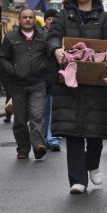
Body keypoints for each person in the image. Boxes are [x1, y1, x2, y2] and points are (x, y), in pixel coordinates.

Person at [46, 0, 107, 194]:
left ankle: (93, 164)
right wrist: (56, 49)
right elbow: (52, 37)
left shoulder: (105, 18)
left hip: (97, 84)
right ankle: (77, 180)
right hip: (69, 84)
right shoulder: (63, 17)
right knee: (73, 132)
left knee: (95, 132)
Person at [0, 8, 48, 160]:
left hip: (38, 83)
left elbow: (51, 57)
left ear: (34, 20)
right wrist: (13, 71)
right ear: (19, 20)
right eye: (24, 17)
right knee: (20, 120)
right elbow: (2, 58)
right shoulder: (10, 37)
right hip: (18, 85)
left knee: (37, 116)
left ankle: (39, 145)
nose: (27, 20)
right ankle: (23, 148)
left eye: (30, 17)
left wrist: (44, 68)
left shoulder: (44, 36)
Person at [42, 9, 62, 151]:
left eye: (54, 19)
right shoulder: (39, 36)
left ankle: (54, 139)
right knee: (43, 112)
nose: (51, 21)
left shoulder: (63, 37)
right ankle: (44, 138)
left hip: (58, 78)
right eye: (49, 19)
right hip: (42, 79)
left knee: (56, 110)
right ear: (45, 21)